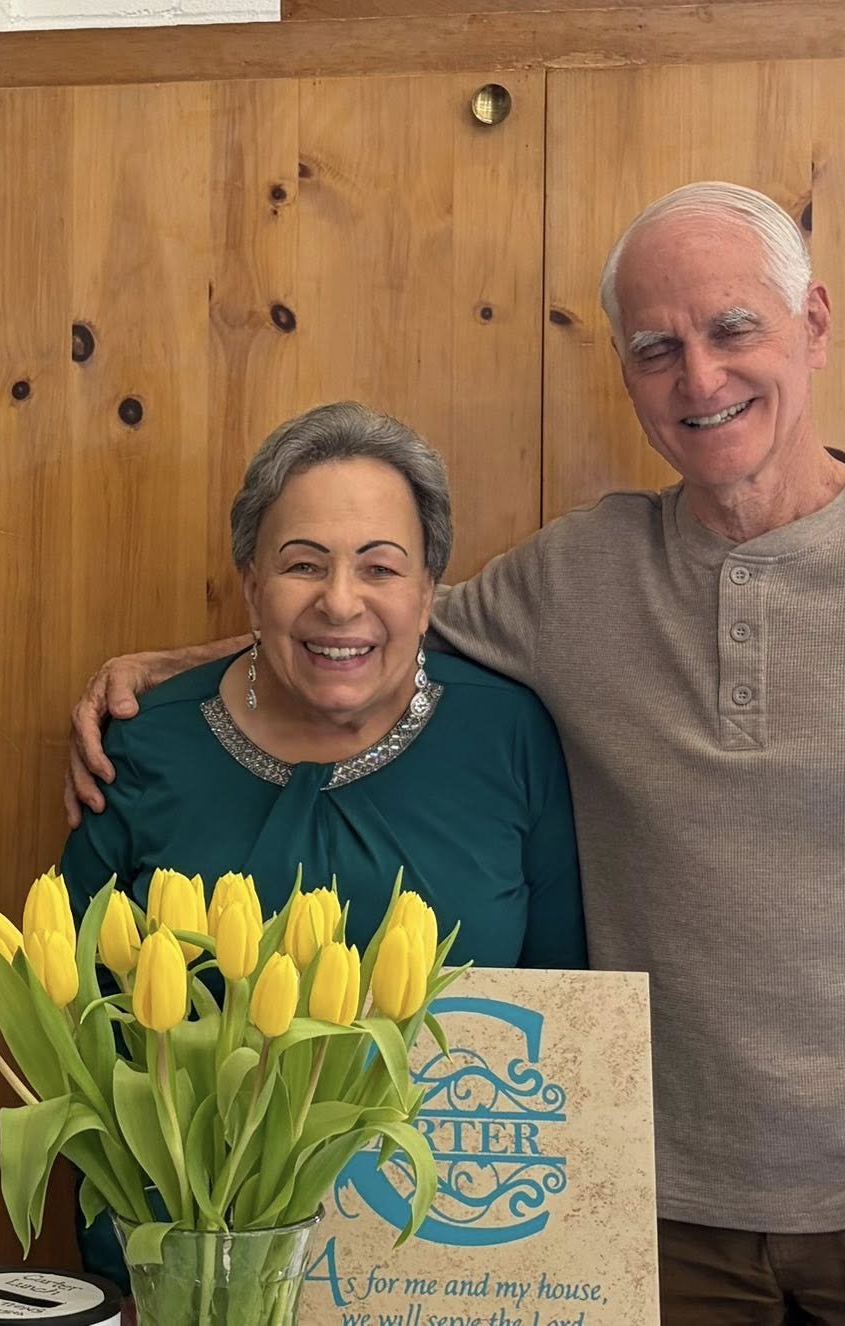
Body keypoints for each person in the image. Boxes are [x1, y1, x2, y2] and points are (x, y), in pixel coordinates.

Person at [64, 182, 845, 1322]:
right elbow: (368, 628)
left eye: (733, 329)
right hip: (642, 1207)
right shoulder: (573, 576)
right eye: (656, 349)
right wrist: (169, 671)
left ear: (815, 324)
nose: (699, 379)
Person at [57, 399, 586, 1289]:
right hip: (198, 1267)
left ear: (429, 589)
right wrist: (150, 1274)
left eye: (381, 567)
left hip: (448, 1268)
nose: (340, 601)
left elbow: (563, 1015)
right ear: (250, 583)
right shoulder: (144, 744)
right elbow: (80, 1043)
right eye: (302, 564)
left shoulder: (508, 734)